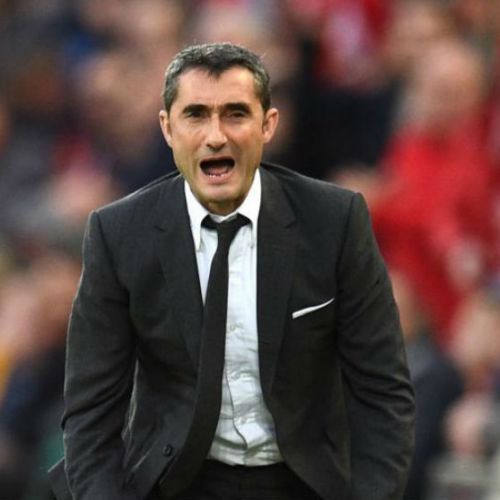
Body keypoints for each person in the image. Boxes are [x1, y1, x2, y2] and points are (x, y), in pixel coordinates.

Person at [48, 42, 415, 500]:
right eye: (196, 115)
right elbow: (90, 413)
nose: (216, 136)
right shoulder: (118, 234)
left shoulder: (335, 222)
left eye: (236, 114)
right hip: (176, 483)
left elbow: (382, 393)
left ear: (268, 125)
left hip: (306, 483)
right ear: (167, 128)